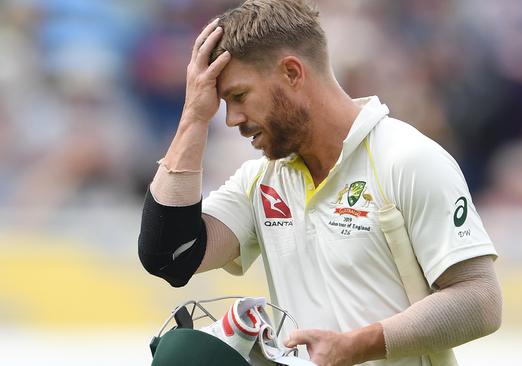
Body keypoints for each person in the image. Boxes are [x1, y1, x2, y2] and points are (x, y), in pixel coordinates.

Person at [138, 1, 502, 365]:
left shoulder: (407, 159)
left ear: (292, 73)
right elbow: (170, 256)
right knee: (182, 358)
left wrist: (358, 344)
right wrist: (193, 118)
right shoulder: (262, 179)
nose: (232, 119)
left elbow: (480, 299)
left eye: (238, 96)